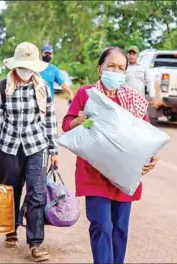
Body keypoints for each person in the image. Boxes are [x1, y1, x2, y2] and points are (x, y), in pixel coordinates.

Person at [62, 47, 158, 264]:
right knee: (102, 225)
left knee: (120, 227)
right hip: (94, 174)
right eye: (111, 66)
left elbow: (146, 135)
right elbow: (67, 124)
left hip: (124, 175)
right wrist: (76, 122)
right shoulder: (86, 95)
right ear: (99, 69)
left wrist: (151, 158)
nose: (115, 71)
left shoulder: (133, 100)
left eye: (121, 68)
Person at [0, 42, 58, 262]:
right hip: (9, 147)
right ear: (15, 65)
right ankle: (11, 230)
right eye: (22, 65)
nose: (25, 70)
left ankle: (35, 243)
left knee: (36, 193)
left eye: (29, 66)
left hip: (37, 146)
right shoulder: (3, 87)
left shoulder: (42, 87)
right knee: (10, 191)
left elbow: (49, 119)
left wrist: (53, 148)